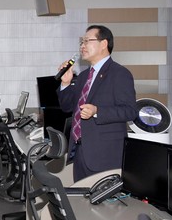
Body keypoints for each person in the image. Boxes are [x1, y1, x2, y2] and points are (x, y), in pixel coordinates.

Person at [57, 25, 137, 182]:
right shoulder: (83, 76)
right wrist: (65, 83)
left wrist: (97, 111)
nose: (82, 46)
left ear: (104, 44)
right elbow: (67, 107)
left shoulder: (120, 74)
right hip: (79, 152)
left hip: (104, 156)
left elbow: (130, 111)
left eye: (87, 41)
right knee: (81, 195)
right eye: (82, 42)